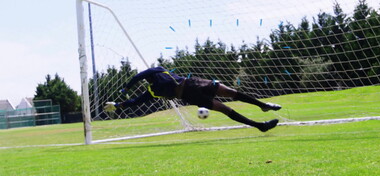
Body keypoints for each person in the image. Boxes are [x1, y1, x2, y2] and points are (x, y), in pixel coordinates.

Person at [104, 66, 281, 132]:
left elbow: (141, 75)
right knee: (224, 108)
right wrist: (118, 105)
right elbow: (136, 102)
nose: (144, 79)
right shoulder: (152, 92)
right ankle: (260, 126)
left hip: (193, 83)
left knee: (230, 92)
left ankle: (263, 105)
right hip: (190, 94)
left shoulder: (157, 71)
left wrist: (126, 88)